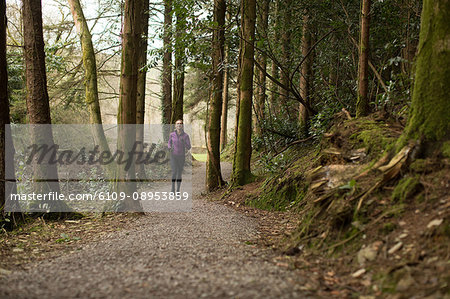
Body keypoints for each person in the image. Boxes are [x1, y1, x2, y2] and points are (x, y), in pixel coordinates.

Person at [168, 119, 191, 193]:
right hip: (173, 156)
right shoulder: (172, 134)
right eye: (177, 123)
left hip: (181, 157)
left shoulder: (186, 135)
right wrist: (169, 147)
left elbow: (189, 147)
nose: (179, 125)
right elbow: (169, 143)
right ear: (175, 125)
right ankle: (172, 189)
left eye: (180, 124)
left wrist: (184, 142)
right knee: (174, 172)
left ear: (182, 126)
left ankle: (178, 190)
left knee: (179, 173)